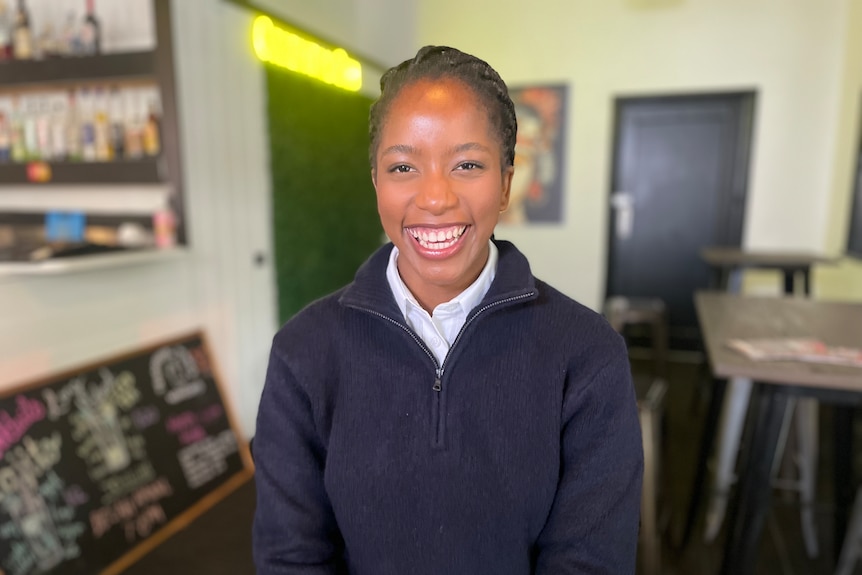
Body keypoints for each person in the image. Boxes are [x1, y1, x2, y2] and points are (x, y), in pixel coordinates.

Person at [253, 45, 643, 575]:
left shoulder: (587, 354)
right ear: (376, 184)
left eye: (467, 164)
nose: (434, 197)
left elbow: (591, 561)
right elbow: (291, 558)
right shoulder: (303, 353)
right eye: (403, 166)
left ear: (505, 182)